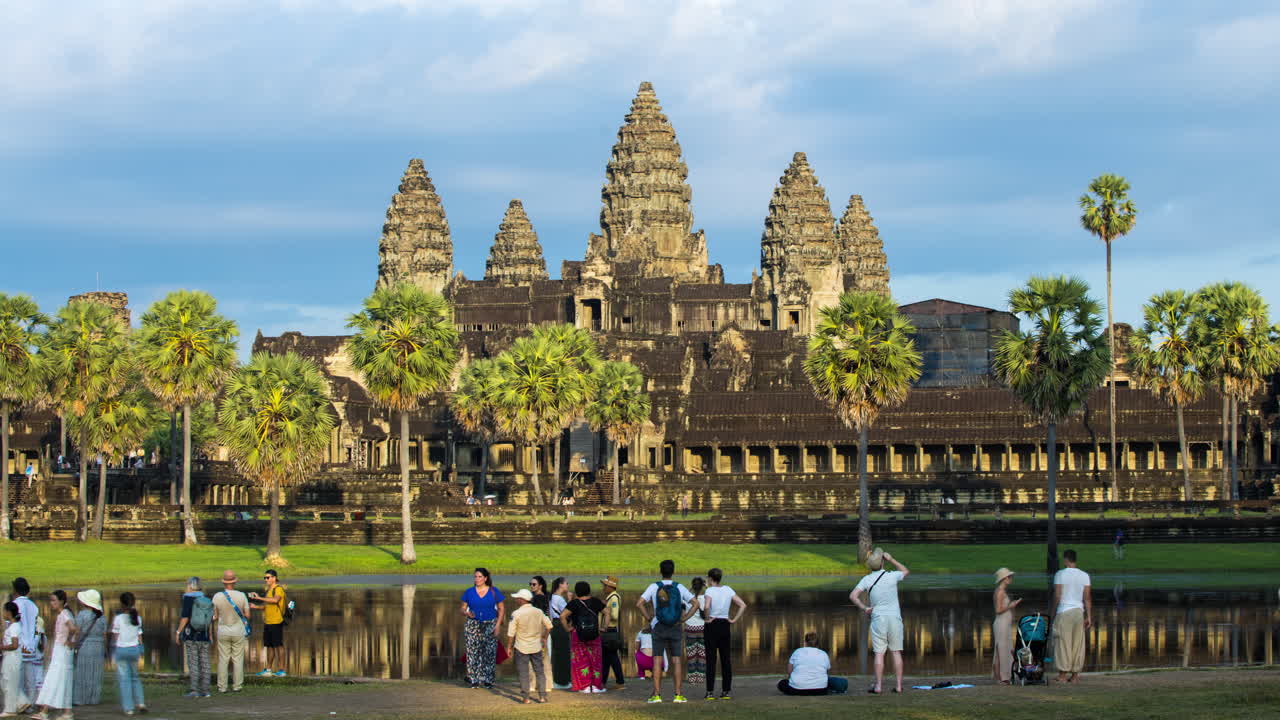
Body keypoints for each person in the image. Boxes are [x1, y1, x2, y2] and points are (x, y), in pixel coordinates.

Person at [850, 547, 909, 694]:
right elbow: (905, 571)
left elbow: (853, 596)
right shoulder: (892, 576)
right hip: (894, 618)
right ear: (882, 562)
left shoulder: (867, 579)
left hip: (878, 619)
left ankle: (878, 686)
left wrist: (865, 608)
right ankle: (899, 686)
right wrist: (892, 559)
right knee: (896, 652)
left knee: (879, 654)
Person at [636, 559, 696, 703]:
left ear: (660, 571)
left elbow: (639, 603)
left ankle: (657, 695)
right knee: (676, 660)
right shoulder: (679, 587)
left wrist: (649, 618)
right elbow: (696, 604)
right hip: (675, 626)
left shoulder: (654, 586)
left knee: (657, 660)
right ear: (673, 571)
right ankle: (678, 695)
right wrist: (683, 619)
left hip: (659, 626)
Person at [31, 590, 77, 720]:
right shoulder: (65, 614)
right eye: (51, 600)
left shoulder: (64, 614)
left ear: (61, 601)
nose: (51, 603)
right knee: (63, 679)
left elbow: (74, 629)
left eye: (53, 600)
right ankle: (67, 712)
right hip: (63, 651)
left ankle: (44, 711)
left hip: (61, 651)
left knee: (53, 678)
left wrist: (69, 640)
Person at [702, 567, 747, 700]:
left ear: (710, 578)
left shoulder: (709, 590)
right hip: (724, 625)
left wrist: (706, 618)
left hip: (712, 625)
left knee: (711, 659)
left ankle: (710, 692)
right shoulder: (728, 589)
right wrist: (733, 619)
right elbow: (742, 605)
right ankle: (726, 691)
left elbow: (706, 606)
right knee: (725, 659)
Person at [459, 568, 505, 689]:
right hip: (473, 624)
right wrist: (466, 613)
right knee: (472, 651)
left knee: (489, 651)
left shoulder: (494, 591)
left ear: (485, 578)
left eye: (480, 577)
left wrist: (498, 625)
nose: (477, 579)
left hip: (490, 623)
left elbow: (501, 609)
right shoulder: (469, 592)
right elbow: (462, 608)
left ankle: (488, 679)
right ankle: (474, 678)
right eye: (475, 577)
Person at [1052, 549, 1092, 684]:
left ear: (1065, 560)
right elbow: (1087, 598)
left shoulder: (1060, 574)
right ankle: (1075, 675)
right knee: (1078, 644)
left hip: (1064, 611)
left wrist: (1052, 611)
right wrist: (1089, 616)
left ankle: (1062, 675)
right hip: (1078, 612)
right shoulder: (1085, 575)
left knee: (1063, 643)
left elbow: (1057, 596)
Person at [506, 589, 552, 704]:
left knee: (523, 672)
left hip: (521, 647)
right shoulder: (538, 612)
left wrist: (509, 647)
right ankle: (542, 696)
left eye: (517, 598)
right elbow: (549, 626)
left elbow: (511, 633)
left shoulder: (516, 614)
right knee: (540, 671)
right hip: (536, 646)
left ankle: (526, 697)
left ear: (522, 600)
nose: (516, 600)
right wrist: (544, 638)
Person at [560, 581, 606, 693]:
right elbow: (607, 612)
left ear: (577, 591)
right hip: (594, 634)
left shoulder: (574, 603)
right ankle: (595, 686)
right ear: (588, 590)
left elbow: (562, 616)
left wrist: (567, 629)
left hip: (577, 635)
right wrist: (604, 627)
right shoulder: (595, 601)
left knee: (580, 660)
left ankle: (583, 686)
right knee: (595, 660)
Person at [211, 569, 250, 694]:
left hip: (223, 630)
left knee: (223, 659)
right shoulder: (241, 595)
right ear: (235, 582)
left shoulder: (217, 596)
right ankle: (237, 685)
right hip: (238, 630)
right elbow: (247, 615)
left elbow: (214, 616)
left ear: (223, 582)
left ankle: (222, 686)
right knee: (238, 659)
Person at [108, 592, 146, 716]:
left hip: (121, 650)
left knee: (124, 680)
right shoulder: (137, 618)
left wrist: (112, 649)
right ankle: (140, 703)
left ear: (122, 604)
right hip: (134, 649)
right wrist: (141, 649)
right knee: (135, 677)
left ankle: (129, 708)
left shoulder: (118, 618)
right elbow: (140, 635)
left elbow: (115, 636)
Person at [776, 632, 848, 695]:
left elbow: (789, 671)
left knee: (781, 683)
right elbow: (826, 672)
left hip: (796, 690)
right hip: (820, 690)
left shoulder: (797, 652)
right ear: (818, 643)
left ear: (805, 642)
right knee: (834, 681)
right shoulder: (823, 654)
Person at [176, 577, 212, 698]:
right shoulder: (206, 599)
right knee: (205, 662)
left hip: (191, 634)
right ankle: (206, 690)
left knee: (193, 662)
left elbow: (185, 617)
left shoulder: (188, 598)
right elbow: (211, 619)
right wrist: (210, 634)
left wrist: (178, 632)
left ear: (191, 586)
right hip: (205, 635)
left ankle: (194, 690)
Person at [249, 569, 288, 677]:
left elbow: (275, 600)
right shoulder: (269, 590)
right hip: (268, 622)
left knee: (279, 645)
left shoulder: (278, 589)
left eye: (268, 577)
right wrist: (255, 606)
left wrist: (259, 597)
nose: (266, 579)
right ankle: (268, 669)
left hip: (277, 621)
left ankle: (281, 670)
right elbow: (267, 606)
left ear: (274, 578)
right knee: (269, 646)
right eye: (265, 577)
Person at [71, 589, 106, 706]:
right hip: (99, 646)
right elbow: (104, 634)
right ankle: (93, 698)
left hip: (85, 645)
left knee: (82, 671)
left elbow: (77, 632)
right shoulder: (102, 617)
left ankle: (80, 699)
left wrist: (74, 645)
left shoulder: (82, 615)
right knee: (95, 672)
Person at [10, 579, 40, 703]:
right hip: (31, 646)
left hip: (19, 645)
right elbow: (36, 627)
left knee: (17, 678)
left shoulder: (14, 604)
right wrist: (32, 643)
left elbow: (13, 626)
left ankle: (21, 703)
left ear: (15, 590)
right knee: (30, 678)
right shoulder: (33, 605)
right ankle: (31, 703)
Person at [992, 568, 1022, 684]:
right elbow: (998, 610)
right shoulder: (1000, 592)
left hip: (1005, 623)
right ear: (1004, 579)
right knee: (1001, 649)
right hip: (1001, 624)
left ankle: (1004, 675)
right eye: (1009, 577)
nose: (1011, 579)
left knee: (1005, 649)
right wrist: (1011, 605)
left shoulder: (1002, 591)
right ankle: (1001, 677)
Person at [2, 601, 31, 716]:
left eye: (4, 611)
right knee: (6, 682)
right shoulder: (13, 626)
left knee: (9, 682)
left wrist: (1, 647)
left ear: (8, 612)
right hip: (10, 657)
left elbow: (14, 645)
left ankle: (10, 709)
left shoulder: (14, 627)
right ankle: (22, 702)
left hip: (12, 658)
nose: (3, 613)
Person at [528, 576, 554, 696]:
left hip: (539, 629)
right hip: (542, 628)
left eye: (534, 584)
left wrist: (544, 634)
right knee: (543, 656)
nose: (531, 586)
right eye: (531, 584)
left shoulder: (539, 598)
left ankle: (535, 683)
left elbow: (542, 616)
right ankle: (546, 683)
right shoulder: (544, 597)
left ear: (540, 586)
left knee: (536, 657)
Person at [600, 575, 625, 691]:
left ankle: (609, 681)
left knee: (609, 657)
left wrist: (604, 609)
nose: (603, 588)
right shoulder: (611, 597)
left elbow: (614, 616)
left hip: (609, 630)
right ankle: (614, 681)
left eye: (605, 585)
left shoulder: (613, 598)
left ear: (610, 586)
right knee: (609, 657)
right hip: (609, 631)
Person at [548, 578, 572, 690]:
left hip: (554, 626)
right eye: (566, 583)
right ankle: (563, 681)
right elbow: (568, 613)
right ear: (560, 585)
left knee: (556, 653)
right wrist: (570, 600)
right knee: (563, 654)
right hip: (560, 625)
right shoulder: (559, 599)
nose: (568, 585)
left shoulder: (551, 597)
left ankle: (557, 679)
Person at [684, 577, 707, 688]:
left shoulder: (688, 598)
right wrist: (706, 587)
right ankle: (701, 677)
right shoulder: (705, 598)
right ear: (702, 586)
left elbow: (682, 601)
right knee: (702, 654)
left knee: (691, 654)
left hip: (690, 628)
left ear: (692, 586)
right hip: (702, 628)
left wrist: (690, 589)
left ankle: (692, 678)